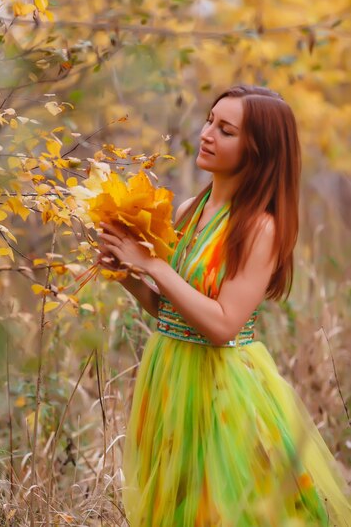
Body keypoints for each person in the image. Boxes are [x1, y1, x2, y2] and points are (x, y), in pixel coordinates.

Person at [98, 85, 351, 526]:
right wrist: (127, 275)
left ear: (258, 149)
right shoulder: (192, 208)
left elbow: (223, 326)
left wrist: (153, 264)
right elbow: (173, 313)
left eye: (226, 130)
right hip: (169, 375)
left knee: (223, 511)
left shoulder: (259, 227)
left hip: (221, 388)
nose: (207, 134)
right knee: (174, 507)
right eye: (210, 121)